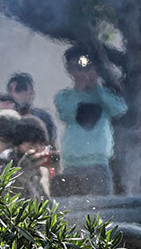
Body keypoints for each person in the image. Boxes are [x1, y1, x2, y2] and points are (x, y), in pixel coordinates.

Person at [53, 47, 127, 196]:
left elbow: (119, 110)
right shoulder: (64, 96)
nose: (82, 70)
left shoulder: (104, 94)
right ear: (69, 70)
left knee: (102, 210)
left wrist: (97, 86)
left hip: (98, 162)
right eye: (77, 67)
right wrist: (78, 89)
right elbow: (66, 115)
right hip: (71, 162)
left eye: (86, 66)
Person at [0, 116, 53, 199]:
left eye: (41, 145)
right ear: (17, 145)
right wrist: (22, 174)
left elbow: (46, 206)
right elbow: (1, 198)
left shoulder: (39, 169)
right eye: (32, 145)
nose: (37, 150)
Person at [6, 72, 58, 144]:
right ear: (9, 94)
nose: (22, 94)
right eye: (18, 90)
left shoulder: (43, 117)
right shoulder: (6, 120)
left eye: (24, 89)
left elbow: (52, 144)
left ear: (32, 93)